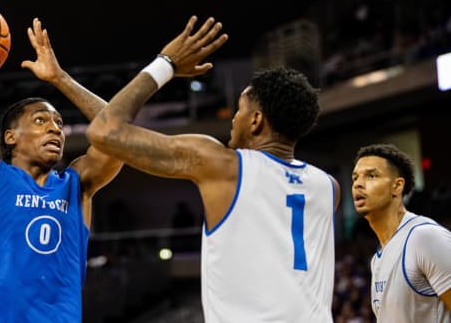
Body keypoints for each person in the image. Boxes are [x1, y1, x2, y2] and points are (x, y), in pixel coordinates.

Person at [0, 16, 226, 322]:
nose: (55, 129)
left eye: (59, 124)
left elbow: (116, 131)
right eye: (41, 121)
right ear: (11, 137)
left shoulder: (77, 183)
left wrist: (60, 79)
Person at [86, 18, 339, 322]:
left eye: (239, 110)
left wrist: (166, 63)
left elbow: (104, 131)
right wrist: (62, 80)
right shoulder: (329, 187)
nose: (233, 119)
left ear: (256, 121)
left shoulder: (222, 164)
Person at [352, 143, 451, 322]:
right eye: (355, 178)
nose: (358, 183)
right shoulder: (377, 259)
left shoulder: (425, 237)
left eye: (371, 176)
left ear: (397, 186)